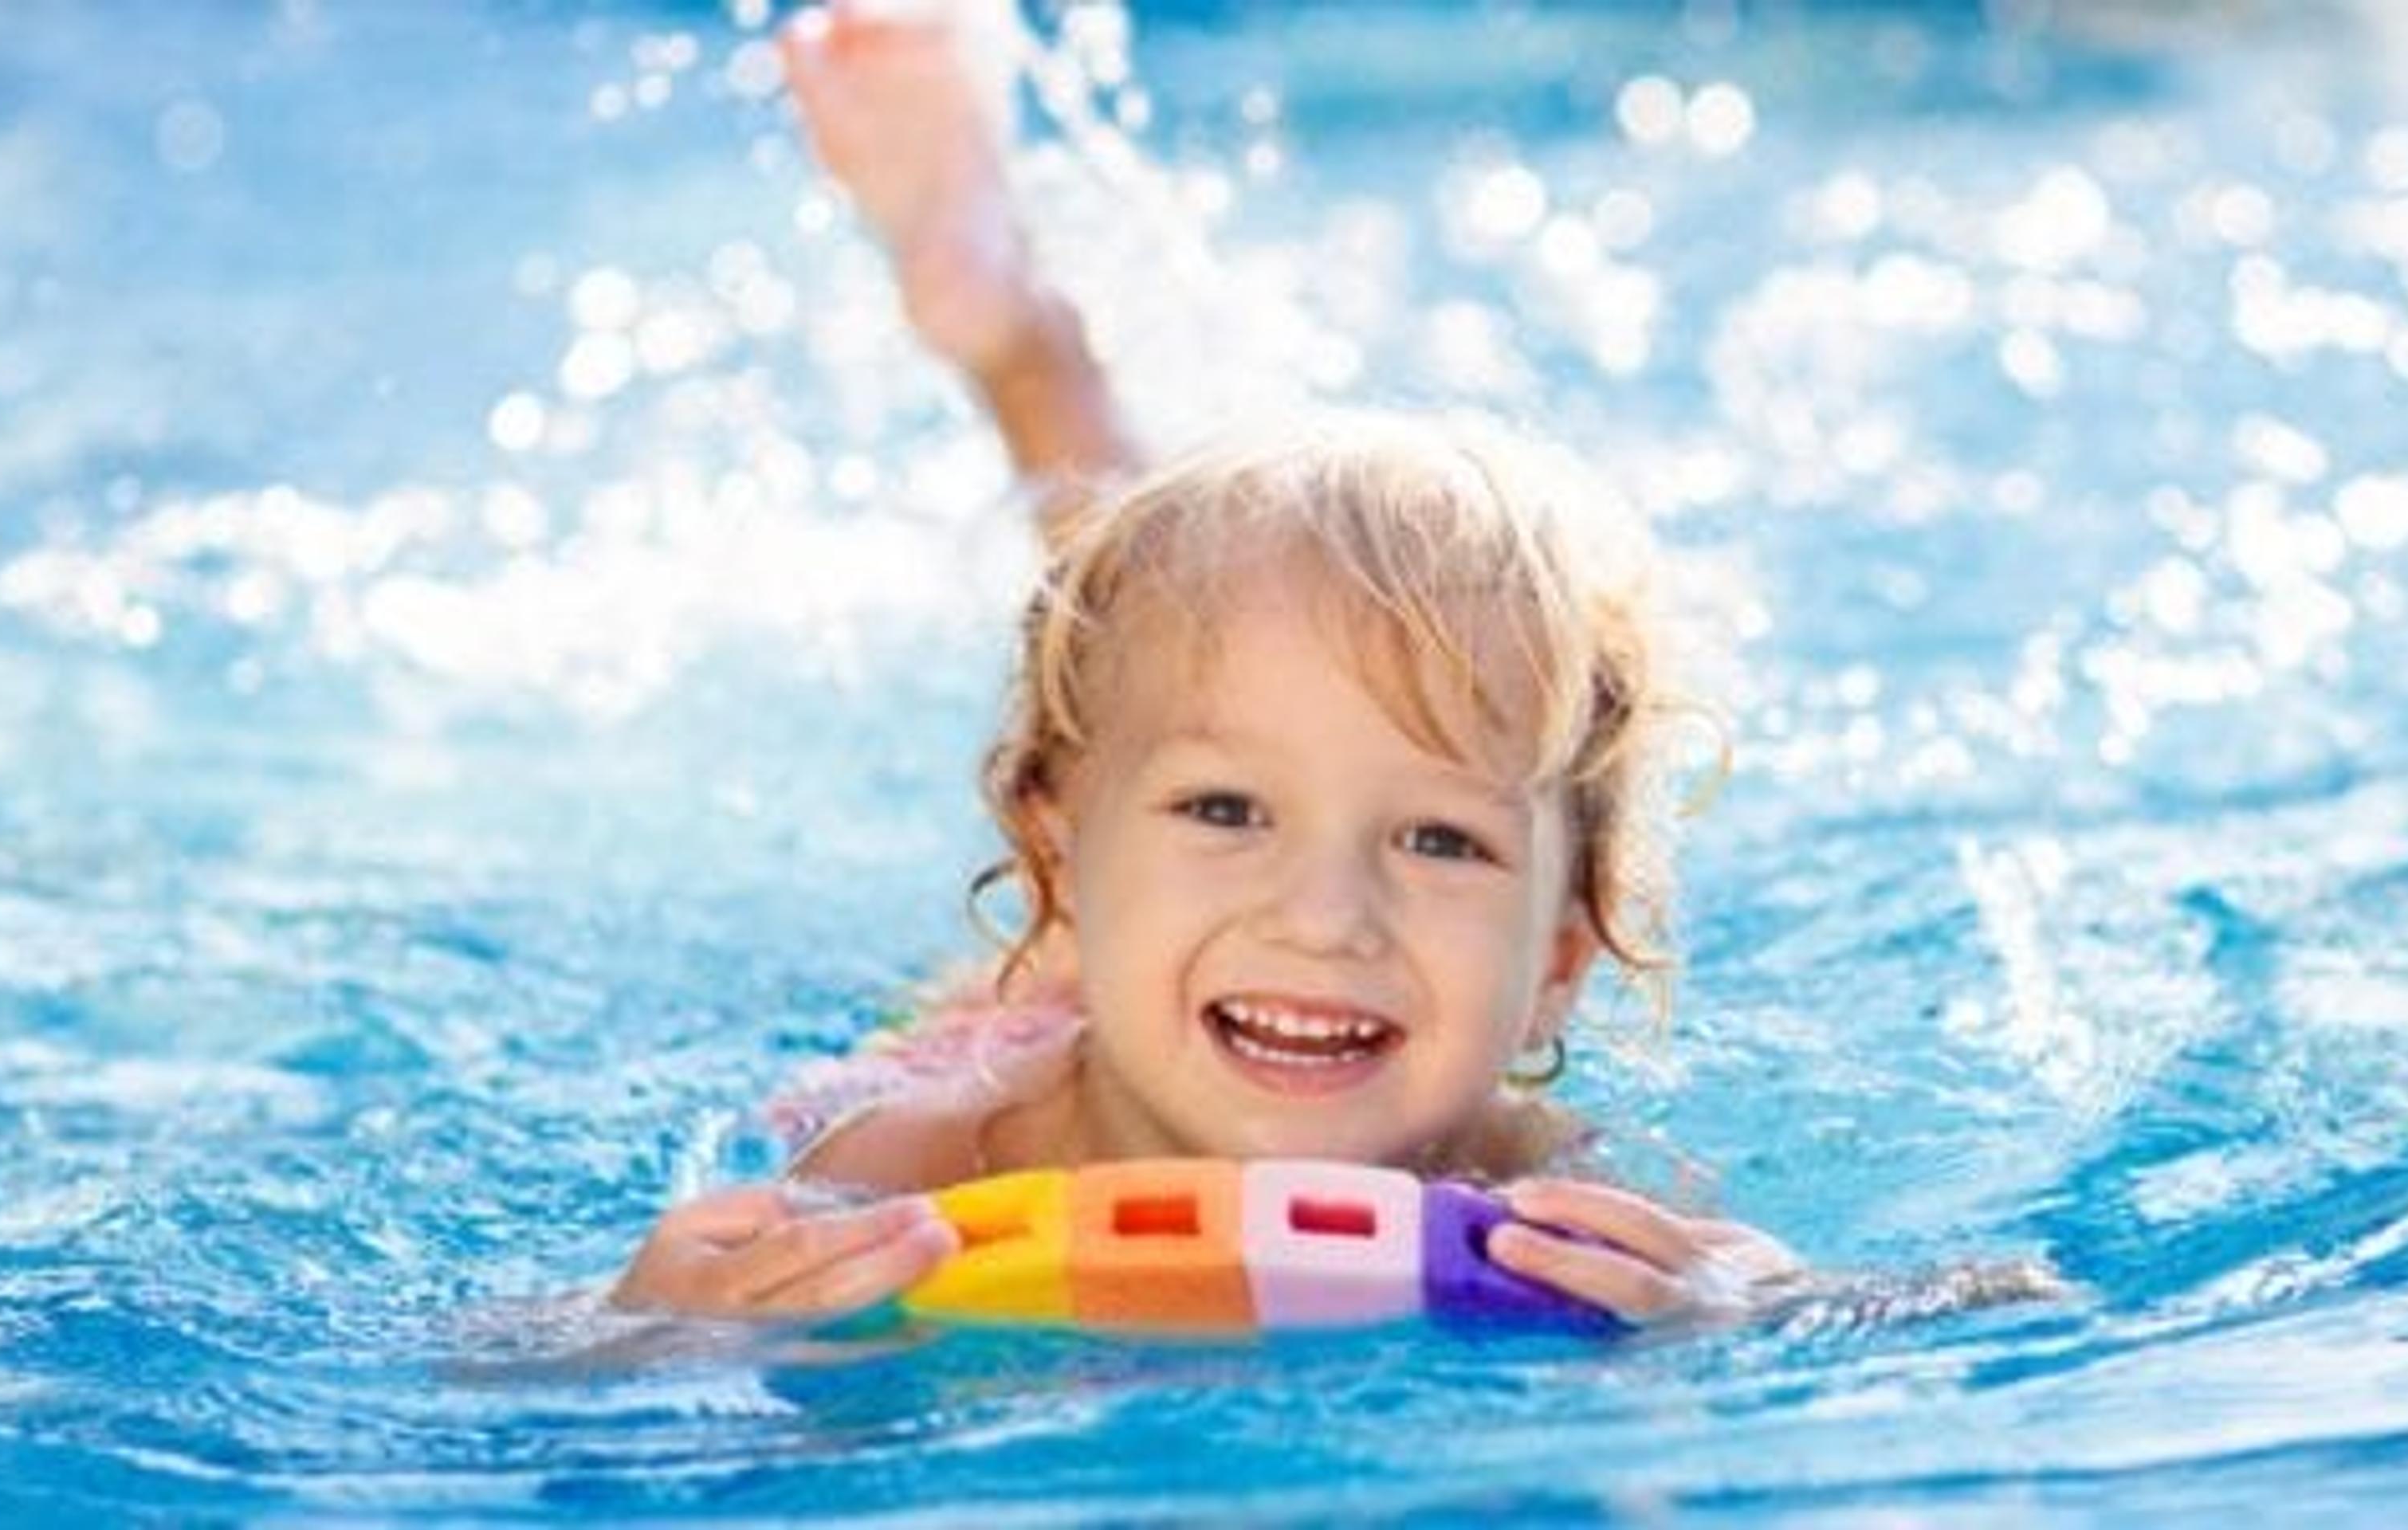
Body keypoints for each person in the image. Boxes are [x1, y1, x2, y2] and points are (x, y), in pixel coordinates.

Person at [611, 0, 2033, 1330]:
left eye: (1441, 837)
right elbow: (507, 1381)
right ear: (1045, 851)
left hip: (1146, 932)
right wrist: (648, 1330)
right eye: (1229, 812)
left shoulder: (1563, 1195)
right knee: (1141, 654)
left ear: (1555, 958)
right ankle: (1016, 330)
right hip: (1057, 993)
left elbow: (1989, 1297)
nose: (1327, 918)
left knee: (1182, 680)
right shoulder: (905, 1159)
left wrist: (1770, 1307)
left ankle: (1025, 343)